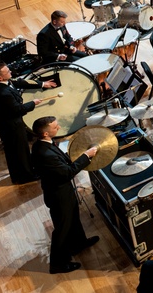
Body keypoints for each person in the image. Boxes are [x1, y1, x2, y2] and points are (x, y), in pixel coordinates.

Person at [30, 116, 100, 274]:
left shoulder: (42, 144)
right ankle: (57, 264)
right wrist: (86, 156)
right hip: (58, 195)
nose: (59, 127)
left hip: (62, 191)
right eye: (55, 127)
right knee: (62, 228)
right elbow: (67, 172)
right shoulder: (45, 154)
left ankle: (79, 243)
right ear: (46, 133)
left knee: (73, 217)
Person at [0, 62, 55, 184]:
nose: (10, 72)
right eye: (7, 72)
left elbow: (16, 82)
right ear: (0, 78)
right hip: (11, 125)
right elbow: (18, 110)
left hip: (7, 122)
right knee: (19, 152)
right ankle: (25, 176)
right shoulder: (3, 94)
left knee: (17, 151)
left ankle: (22, 173)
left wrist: (43, 84)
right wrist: (33, 103)